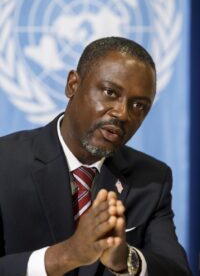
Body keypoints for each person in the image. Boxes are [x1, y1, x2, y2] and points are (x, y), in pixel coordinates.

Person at [0, 37, 192, 276]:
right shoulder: (5, 161)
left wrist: (125, 259)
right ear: (72, 84)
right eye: (110, 92)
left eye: (139, 106)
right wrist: (66, 255)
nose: (122, 113)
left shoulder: (151, 179)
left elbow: (177, 271)